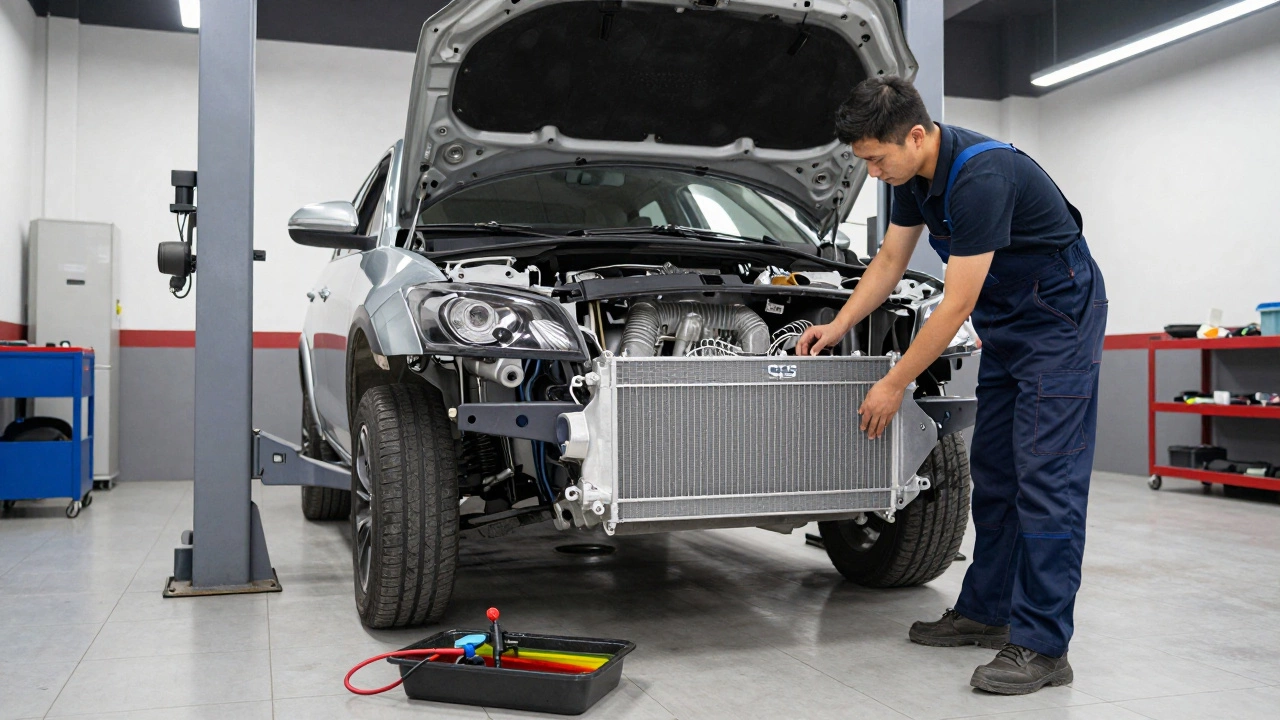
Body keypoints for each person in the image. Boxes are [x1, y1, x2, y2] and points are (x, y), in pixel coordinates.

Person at [797, 76, 1107, 695]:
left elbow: (955, 303)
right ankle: (988, 611)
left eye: (877, 160)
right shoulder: (914, 177)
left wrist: (894, 383)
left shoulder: (981, 179)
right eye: (865, 163)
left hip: (1058, 321)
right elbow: (889, 262)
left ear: (916, 135)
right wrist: (839, 323)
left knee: (1047, 478)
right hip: (1013, 322)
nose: (874, 172)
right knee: (995, 470)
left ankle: (1045, 647)